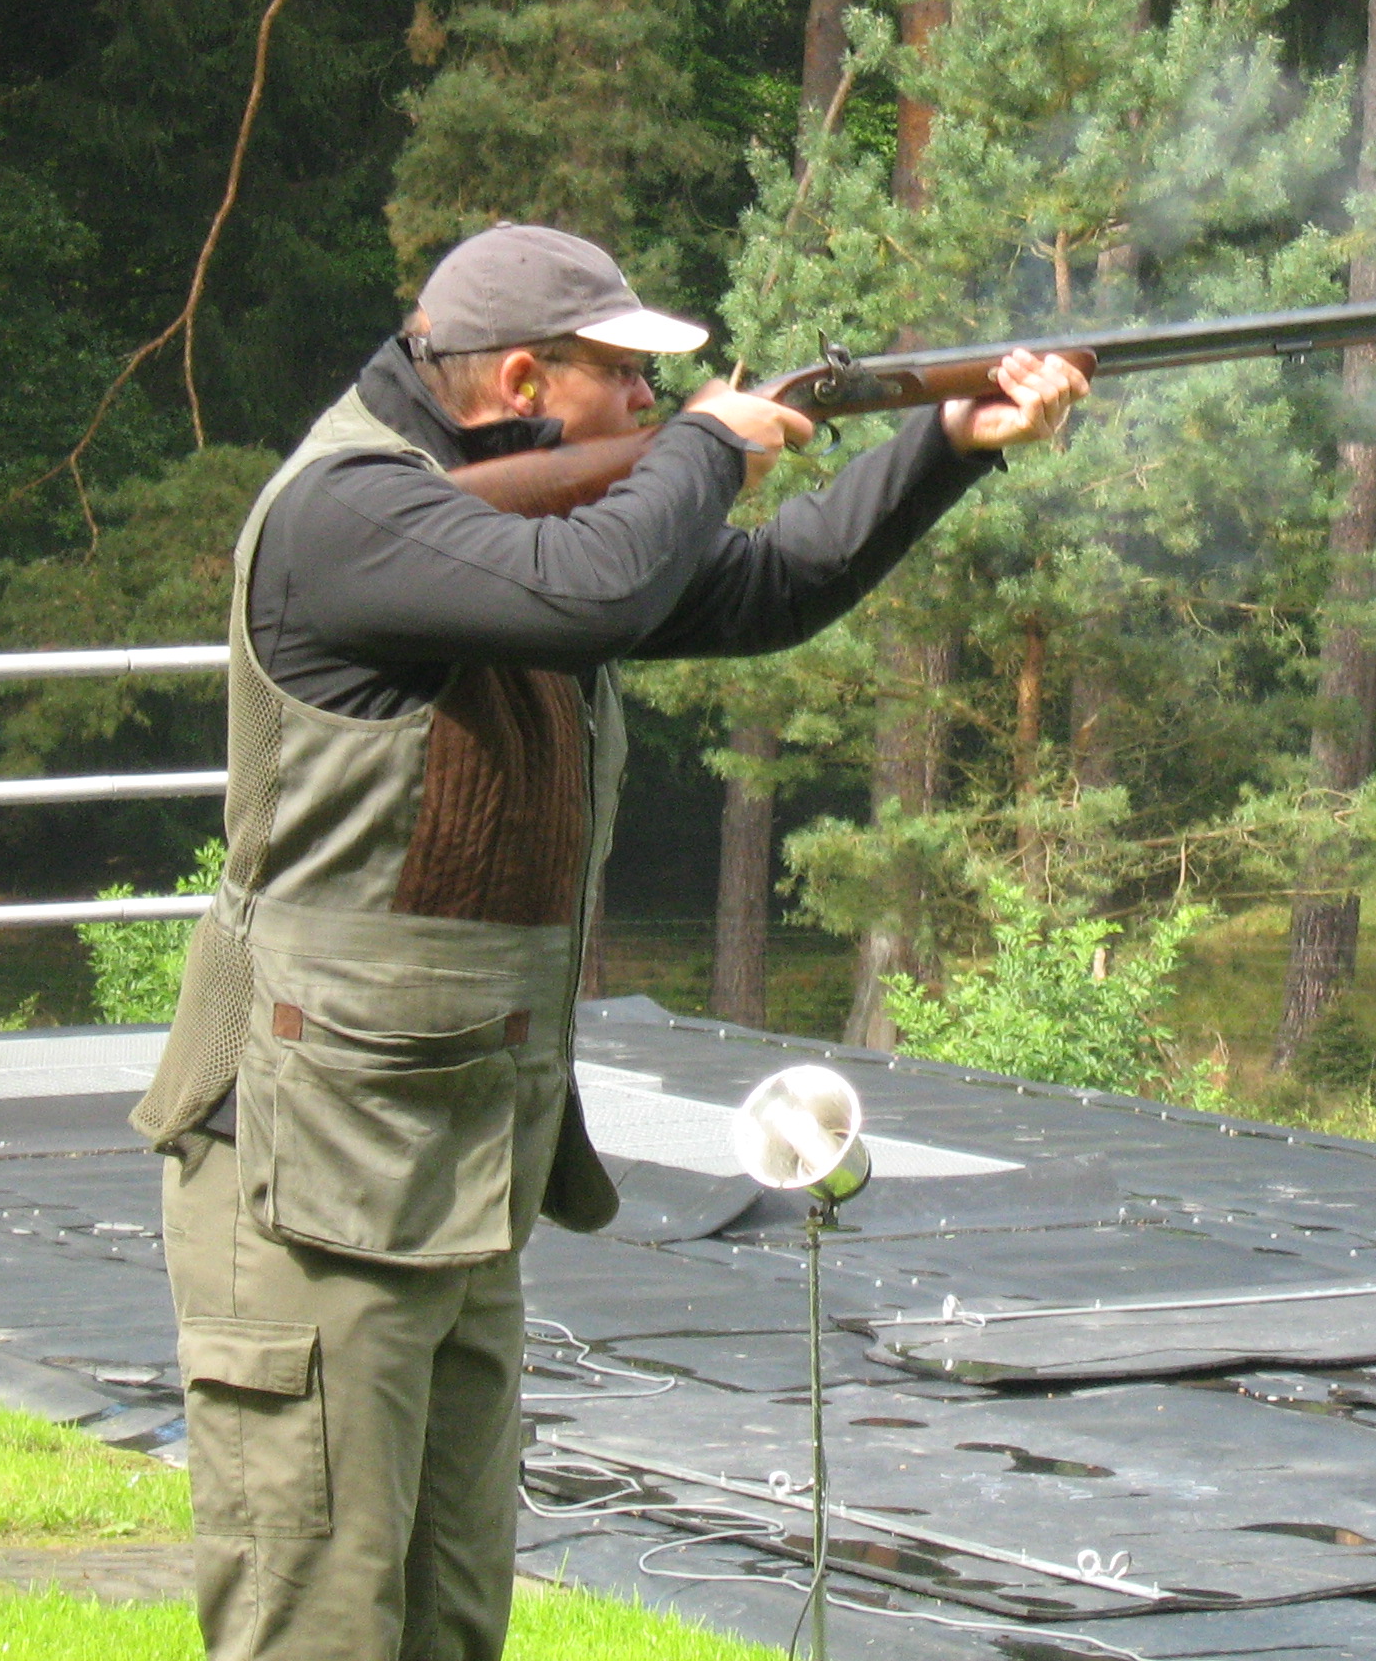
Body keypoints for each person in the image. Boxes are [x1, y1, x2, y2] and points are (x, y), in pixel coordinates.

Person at [129, 223, 1085, 1661]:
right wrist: (706, 447)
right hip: (308, 1169)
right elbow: (599, 589)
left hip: (452, 1159)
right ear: (522, 381)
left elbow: (764, 589)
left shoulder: (516, 529)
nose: (650, 404)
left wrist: (948, 442)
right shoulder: (348, 514)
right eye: (625, 382)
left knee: (453, 1619)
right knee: (316, 1621)